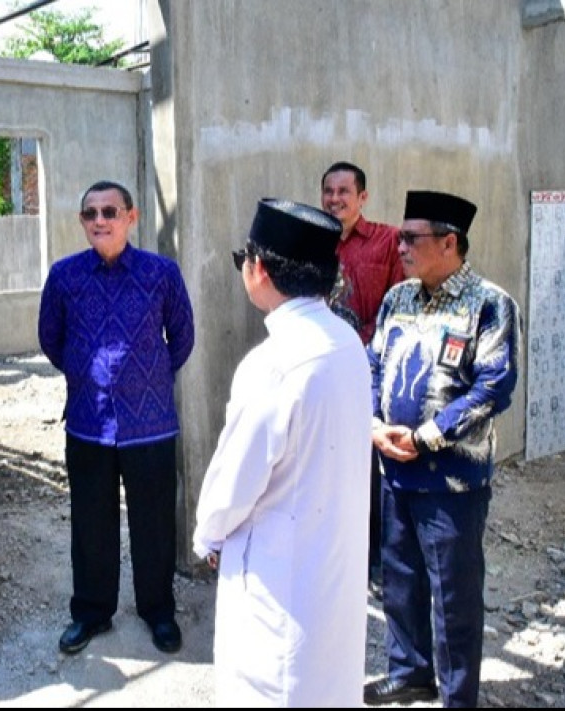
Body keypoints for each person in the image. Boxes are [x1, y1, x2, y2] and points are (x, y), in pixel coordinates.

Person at [193, 198, 373, 707]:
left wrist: (207, 535)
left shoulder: (273, 364)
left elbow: (233, 483)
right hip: (332, 566)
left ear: (261, 269)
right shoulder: (346, 342)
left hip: (277, 574)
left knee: (273, 686)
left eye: (244, 260)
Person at [365, 191, 520, 708]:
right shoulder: (398, 299)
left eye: (412, 238)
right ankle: (410, 671)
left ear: (449, 242)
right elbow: (372, 366)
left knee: (453, 596)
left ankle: (458, 697)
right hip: (395, 472)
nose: (400, 245)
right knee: (400, 581)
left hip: (453, 482)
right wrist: (372, 424)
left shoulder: (490, 304)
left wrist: (427, 436)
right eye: (401, 235)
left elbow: (494, 387)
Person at [37, 179, 195, 655]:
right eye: (91, 214)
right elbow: (50, 337)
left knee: (153, 523)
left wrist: (146, 380)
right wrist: (87, 374)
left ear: (132, 216)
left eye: (110, 212)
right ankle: (91, 612)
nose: (100, 221)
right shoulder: (65, 276)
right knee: (90, 524)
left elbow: (182, 336)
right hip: (88, 423)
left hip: (151, 425)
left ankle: (158, 612)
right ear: (82, 222)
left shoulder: (161, 273)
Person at [320, 161, 406, 589]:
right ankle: (334, 557)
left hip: (373, 370)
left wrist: (360, 341)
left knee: (370, 469)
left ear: (362, 197)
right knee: (327, 464)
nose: (335, 200)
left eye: (343, 192)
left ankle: (373, 562)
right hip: (322, 371)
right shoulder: (314, 241)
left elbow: (400, 306)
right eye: (328, 192)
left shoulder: (389, 241)